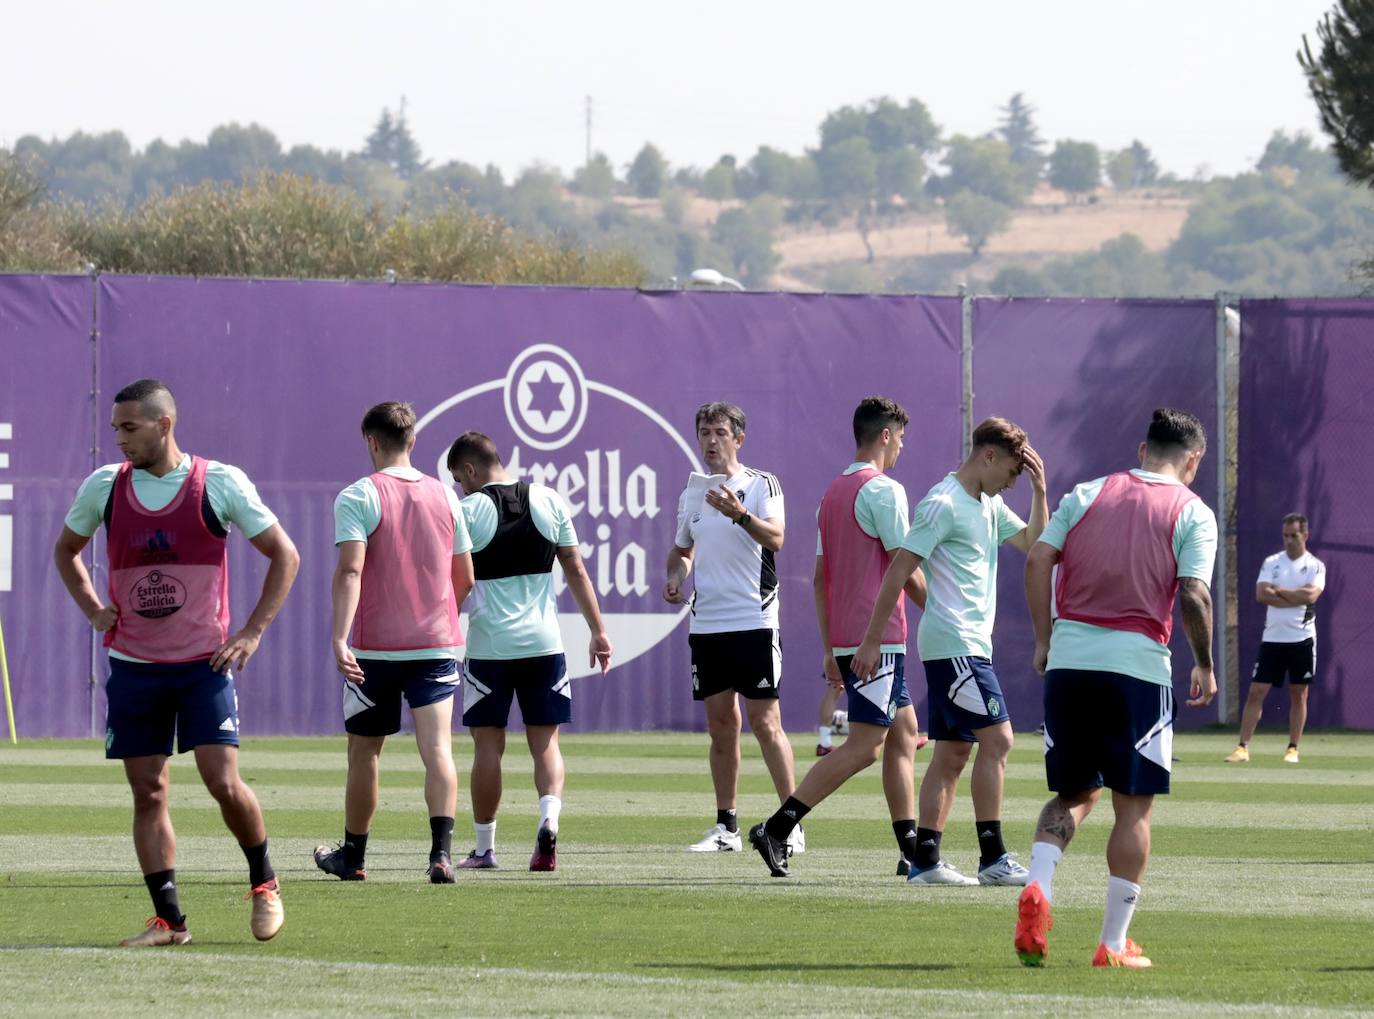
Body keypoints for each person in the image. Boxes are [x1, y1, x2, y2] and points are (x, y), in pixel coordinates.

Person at [53, 378, 299, 947]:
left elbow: (286, 555)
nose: (119, 439)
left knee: (223, 782)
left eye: (129, 428)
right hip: (135, 667)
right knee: (149, 793)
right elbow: (66, 551)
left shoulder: (219, 482)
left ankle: (265, 883)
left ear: (164, 424)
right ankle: (170, 921)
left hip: (202, 667)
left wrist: (252, 631)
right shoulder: (104, 487)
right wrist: (94, 609)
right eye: (115, 427)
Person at [1014, 408, 1217, 970]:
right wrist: (1203, 662)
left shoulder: (1088, 491)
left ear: (1141, 447)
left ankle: (1038, 886)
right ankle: (1111, 944)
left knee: (1074, 795)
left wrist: (1042, 639)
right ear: (1193, 460)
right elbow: (1196, 596)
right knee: (1134, 810)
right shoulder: (1192, 511)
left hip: (1070, 664)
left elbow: (1037, 558)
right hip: (1137, 669)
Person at [854, 417, 1046, 887]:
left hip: (968, 645)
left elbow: (1034, 543)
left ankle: (925, 861)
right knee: (999, 740)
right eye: (1011, 473)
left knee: (955, 752)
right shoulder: (943, 503)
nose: (1011, 483)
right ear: (988, 456)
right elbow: (899, 571)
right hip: (953, 644)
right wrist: (873, 638)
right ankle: (993, 857)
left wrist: (1041, 492)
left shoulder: (987, 504)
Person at [748, 397, 926, 878]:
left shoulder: (834, 492)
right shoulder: (884, 491)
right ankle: (779, 826)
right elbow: (905, 569)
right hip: (878, 637)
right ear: (885, 435)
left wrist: (831, 648)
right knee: (867, 744)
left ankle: (911, 850)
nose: (903, 447)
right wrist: (941, 609)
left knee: (904, 732)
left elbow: (821, 576)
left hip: (853, 638)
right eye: (901, 437)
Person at [312, 402, 474, 885]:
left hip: (374, 649)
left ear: (372, 442)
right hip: (435, 644)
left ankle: (354, 857)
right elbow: (463, 577)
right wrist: (436, 614)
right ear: (414, 441)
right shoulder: (447, 497)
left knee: (365, 754)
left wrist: (339, 637)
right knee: (438, 749)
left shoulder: (359, 495)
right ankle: (441, 855)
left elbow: (351, 570)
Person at [446, 432, 612, 871]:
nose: (460, 489)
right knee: (546, 744)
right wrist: (598, 630)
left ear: (469, 471)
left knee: (487, 747)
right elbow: (575, 567)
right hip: (544, 643)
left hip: (488, 647)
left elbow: (454, 583)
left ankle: (484, 848)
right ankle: (548, 820)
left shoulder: (466, 511)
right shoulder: (550, 500)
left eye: (459, 480)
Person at [665, 402, 800, 855]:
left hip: (754, 619)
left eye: (720, 432)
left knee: (766, 724)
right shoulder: (692, 494)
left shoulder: (761, 484)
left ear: (738, 439)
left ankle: (791, 823)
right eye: (704, 431)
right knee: (721, 726)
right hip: (708, 625)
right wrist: (675, 576)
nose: (711, 440)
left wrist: (740, 514)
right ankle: (727, 828)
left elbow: (777, 538)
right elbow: (682, 550)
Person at [1225, 513, 1325, 765]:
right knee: (1256, 691)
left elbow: (1311, 596)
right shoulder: (1272, 562)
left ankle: (1293, 748)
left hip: (1302, 639)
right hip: (1272, 639)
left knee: (1298, 693)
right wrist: (1294, 595)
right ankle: (1242, 747)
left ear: (1305, 535)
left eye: (1294, 535)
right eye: (1285, 535)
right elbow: (1262, 594)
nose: (1289, 540)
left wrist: (1279, 591)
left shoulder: (1315, 566)